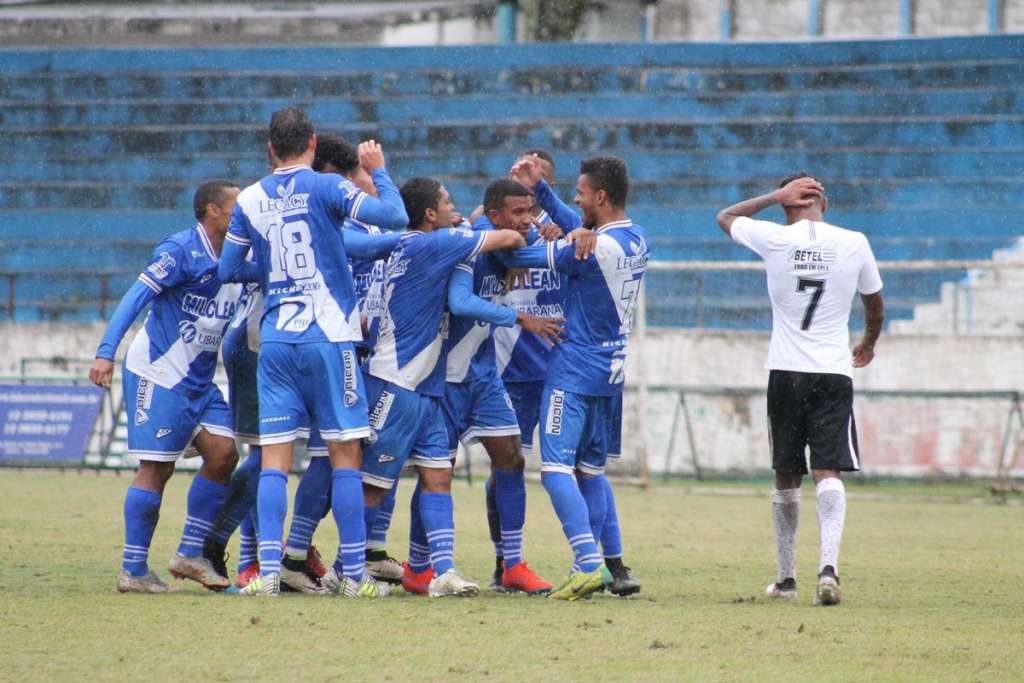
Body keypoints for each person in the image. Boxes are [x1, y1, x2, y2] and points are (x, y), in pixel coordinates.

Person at [218, 106, 408, 597]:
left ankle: (265, 570)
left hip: (277, 339)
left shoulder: (252, 197)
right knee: (346, 453)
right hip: (328, 336)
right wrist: (379, 169)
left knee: (274, 459)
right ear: (313, 141)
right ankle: (353, 574)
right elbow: (395, 215)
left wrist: (276, 273)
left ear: (269, 148)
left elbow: (227, 268)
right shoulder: (324, 187)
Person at [359, 176, 535, 598]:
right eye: (446, 201)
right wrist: (477, 226)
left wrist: (470, 223)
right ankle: (349, 567)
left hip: (428, 385)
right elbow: (508, 234)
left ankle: (444, 570)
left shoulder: (422, 244)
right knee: (372, 486)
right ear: (428, 214)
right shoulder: (432, 245)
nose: (453, 205)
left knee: (438, 475)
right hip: (395, 380)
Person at [715, 173, 884, 606]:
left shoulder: (773, 238)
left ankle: (786, 581)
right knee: (828, 470)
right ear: (823, 203)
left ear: (789, 204)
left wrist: (772, 197)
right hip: (832, 372)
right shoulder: (854, 241)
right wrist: (868, 340)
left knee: (787, 472)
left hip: (786, 372)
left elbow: (725, 216)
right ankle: (828, 571)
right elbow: (875, 302)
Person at [504, 155, 649, 600]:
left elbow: (521, 255)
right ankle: (612, 564)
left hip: (574, 372)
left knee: (554, 469)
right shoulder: (637, 237)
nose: (575, 198)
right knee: (591, 471)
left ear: (600, 197)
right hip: (612, 373)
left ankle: (588, 563)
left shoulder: (591, 250)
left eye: (581, 193)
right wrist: (545, 196)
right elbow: (580, 230)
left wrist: (501, 235)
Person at [90, 179, 245, 594]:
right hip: (159, 373)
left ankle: (190, 553)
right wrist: (106, 351)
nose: (242, 211)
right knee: (157, 468)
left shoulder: (240, 253)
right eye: (236, 205)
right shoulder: (180, 250)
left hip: (199, 380)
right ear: (213, 211)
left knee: (224, 454)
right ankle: (133, 569)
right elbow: (135, 298)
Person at [435, 178, 561, 595]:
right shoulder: (468, 246)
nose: (527, 220)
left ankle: (511, 563)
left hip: (483, 375)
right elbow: (461, 303)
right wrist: (521, 319)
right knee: (438, 470)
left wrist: (567, 231)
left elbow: (552, 253)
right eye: (519, 213)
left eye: (530, 212)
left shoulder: (512, 250)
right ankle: (427, 566)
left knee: (510, 456)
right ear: (494, 216)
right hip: (442, 376)